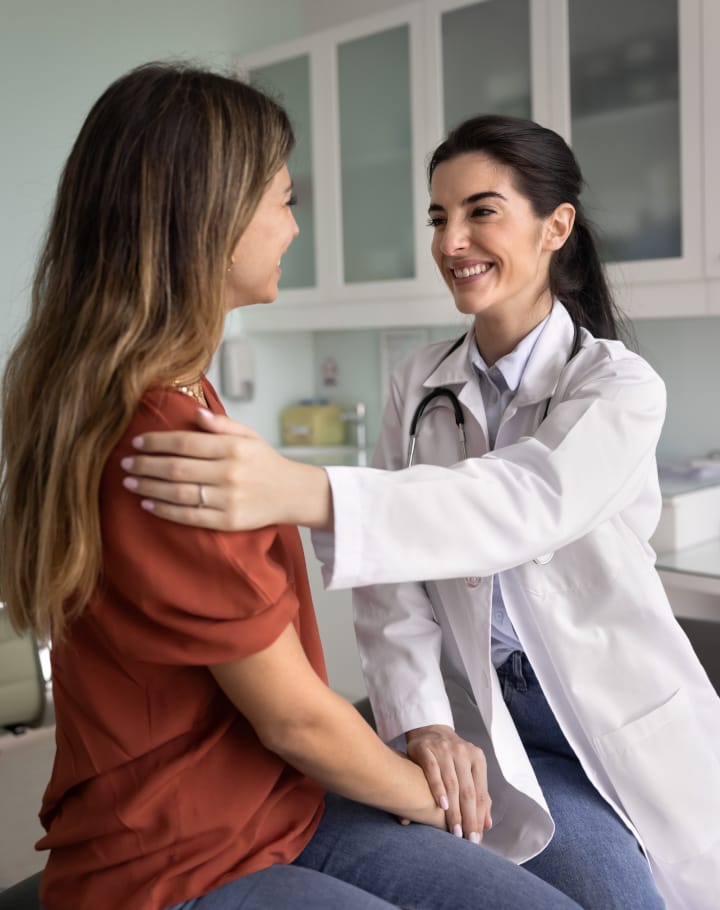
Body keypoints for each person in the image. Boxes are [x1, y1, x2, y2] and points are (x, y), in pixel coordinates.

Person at [0, 68, 588, 910]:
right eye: (283, 200)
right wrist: (438, 797)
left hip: (272, 805)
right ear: (208, 217)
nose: (295, 225)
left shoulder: (179, 394)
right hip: (180, 856)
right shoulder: (159, 434)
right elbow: (297, 718)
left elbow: (521, 504)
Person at [119, 113, 720, 910]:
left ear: (556, 227)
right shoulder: (418, 380)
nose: (451, 241)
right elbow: (393, 587)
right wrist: (425, 721)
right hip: (488, 721)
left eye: (481, 211)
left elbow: (522, 503)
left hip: (607, 719)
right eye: (439, 217)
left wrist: (304, 490)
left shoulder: (619, 386)